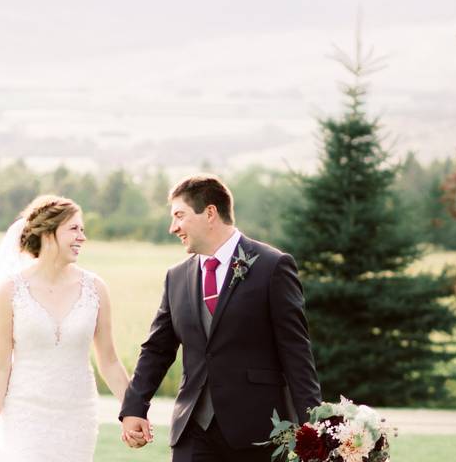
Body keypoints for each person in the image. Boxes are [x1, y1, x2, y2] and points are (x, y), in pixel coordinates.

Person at [120, 174, 321, 462]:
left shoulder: (272, 266)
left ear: (210, 213)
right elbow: (157, 349)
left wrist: (314, 428)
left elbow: (296, 352)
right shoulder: (176, 277)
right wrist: (134, 407)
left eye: (180, 215)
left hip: (258, 432)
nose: (173, 227)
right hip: (193, 429)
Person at [0, 195, 131, 461]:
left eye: (83, 229)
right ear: (48, 233)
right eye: (74, 229)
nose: (82, 237)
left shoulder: (95, 289)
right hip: (26, 414)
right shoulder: (10, 291)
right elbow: (1, 366)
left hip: (78, 414)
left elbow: (110, 362)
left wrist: (133, 410)